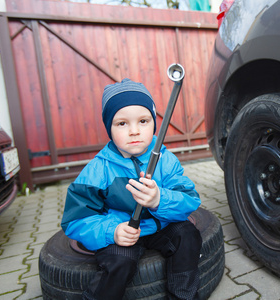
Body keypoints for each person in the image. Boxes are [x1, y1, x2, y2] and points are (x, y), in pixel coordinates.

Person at [61, 78, 202, 300]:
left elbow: (190, 200)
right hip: (123, 232)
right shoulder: (98, 170)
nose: (134, 131)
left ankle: (183, 295)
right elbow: (75, 221)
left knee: (188, 235)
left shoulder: (165, 160)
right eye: (122, 124)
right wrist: (112, 231)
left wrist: (159, 200)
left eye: (143, 121)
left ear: (154, 124)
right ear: (109, 127)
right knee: (120, 262)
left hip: (160, 226)